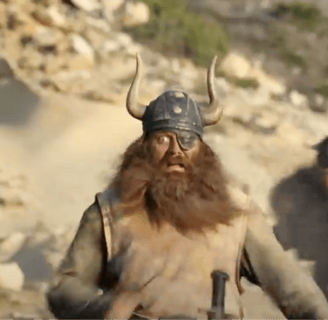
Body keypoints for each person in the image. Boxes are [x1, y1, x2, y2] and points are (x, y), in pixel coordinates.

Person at [46, 54, 328, 319]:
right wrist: (106, 307)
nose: (175, 151)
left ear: (202, 149)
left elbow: (294, 289)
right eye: (163, 139)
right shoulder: (109, 211)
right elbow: (64, 289)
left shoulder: (238, 213)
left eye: (187, 140)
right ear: (143, 147)